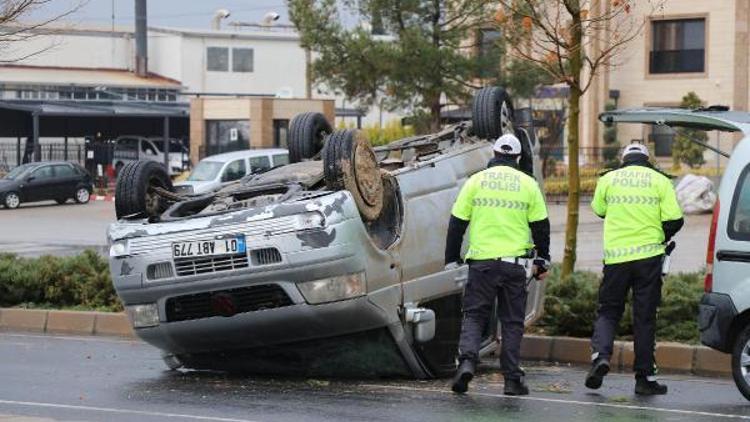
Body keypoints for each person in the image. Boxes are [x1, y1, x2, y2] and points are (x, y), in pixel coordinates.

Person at [444, 133, 550, 396]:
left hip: (482, 265)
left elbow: (457, 223)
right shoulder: (528, 184)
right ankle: (512, 379)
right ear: (516, 157)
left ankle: (467, 362)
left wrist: (451, 258)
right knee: (512, 322)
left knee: (475, 315)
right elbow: (541, 227)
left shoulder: (475, 182)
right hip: (514, 266)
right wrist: (542, 259)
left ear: (494, 155)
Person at [585, 142, 684, 395]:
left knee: (608, 311)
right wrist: (660, 237)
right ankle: (644, 379)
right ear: (647, 159)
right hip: (649, 258)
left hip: (616, 258)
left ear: (624, 158)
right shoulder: (660, 181)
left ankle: (600, 357)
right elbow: (675, 219)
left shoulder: (609, 178)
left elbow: (598, 209)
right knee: (644, 318)